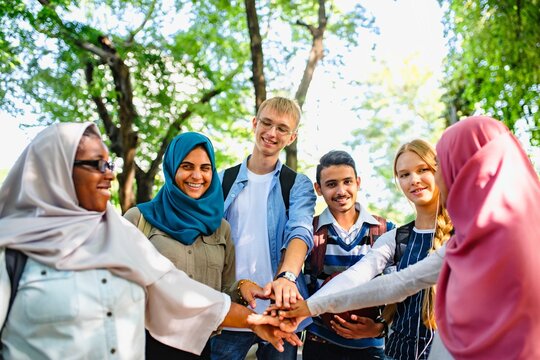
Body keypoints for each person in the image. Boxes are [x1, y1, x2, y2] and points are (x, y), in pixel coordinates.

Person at [0, 122, 300, 359]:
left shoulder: (117, 233)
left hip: (199, 344)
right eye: (96, 165)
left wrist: (254, 320)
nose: (109, 176)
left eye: (110, 165)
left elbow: (176, 289)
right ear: (56, 169)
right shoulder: (11, 250)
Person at [277, 139, 453, 360]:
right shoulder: (396, 238)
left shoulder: (463, 235)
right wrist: (306, 308)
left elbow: (399, 285)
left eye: (423, 170)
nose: (414, 180)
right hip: (395, 353)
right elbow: (357, 276)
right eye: (404, 174)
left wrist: (376, 327)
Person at [124, 132, 252, 359]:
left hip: (201, 346)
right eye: (187, 166)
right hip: (146, 346)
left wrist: (243, 288)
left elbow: (225, 290)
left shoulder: (220, 228)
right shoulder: (138, 219)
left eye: (205, 168)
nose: (197, 175)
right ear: (172, 169)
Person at [210, 97, 317, 360]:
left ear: (292, 137)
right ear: (255, 124)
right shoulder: (222, 180)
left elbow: (300, 231)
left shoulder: (297, 184)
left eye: (282, 128)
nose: (271, 133)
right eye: (266, 123)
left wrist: (286, 278)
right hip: (231, 308)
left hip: (280, 311)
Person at [433, 116, 540, 359]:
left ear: (465, 166)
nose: (437, 177)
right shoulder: (465, 243)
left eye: (440, 164)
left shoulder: (509, 248)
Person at [302, 150, 395, 359]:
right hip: (320, 345)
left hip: (370, 347)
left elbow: (398, 290)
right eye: (331, 184)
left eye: (347, 182)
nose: (341, 190)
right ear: (319, 189)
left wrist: (379, 327)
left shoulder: (384, 230)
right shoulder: (309, 231)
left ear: (358, 182)